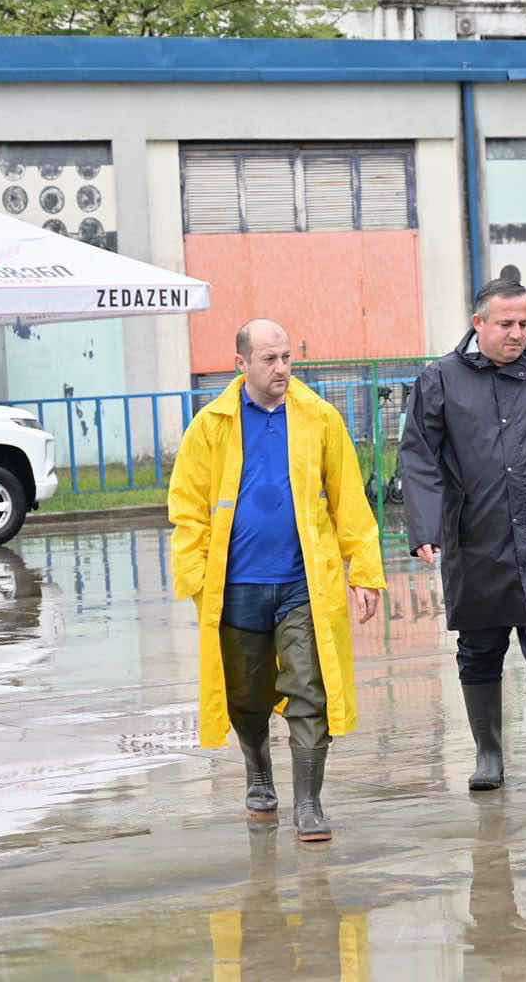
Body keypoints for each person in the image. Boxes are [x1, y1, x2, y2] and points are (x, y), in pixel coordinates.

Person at [169, 318, 386, 841]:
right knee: (246, 695)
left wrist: (365, 571)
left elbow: (349, 501)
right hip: (236, 586)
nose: (282, 368)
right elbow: (188, 506)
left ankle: (308, 803)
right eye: (269, 359)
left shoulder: (319, 419)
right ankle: (259, 775)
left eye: (287, 357)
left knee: (310, 690)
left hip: (302, 585)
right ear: (240, 364)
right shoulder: (212, 425)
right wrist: (196, 576)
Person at [398, 278, 526, 798]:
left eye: (524, 323)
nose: (517, 334)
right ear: (479, 324)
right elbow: (419, 457)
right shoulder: (440, 380)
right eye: (506, 324)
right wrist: (425, 526)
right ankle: (489, 755)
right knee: (480, 646)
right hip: (475, 539)